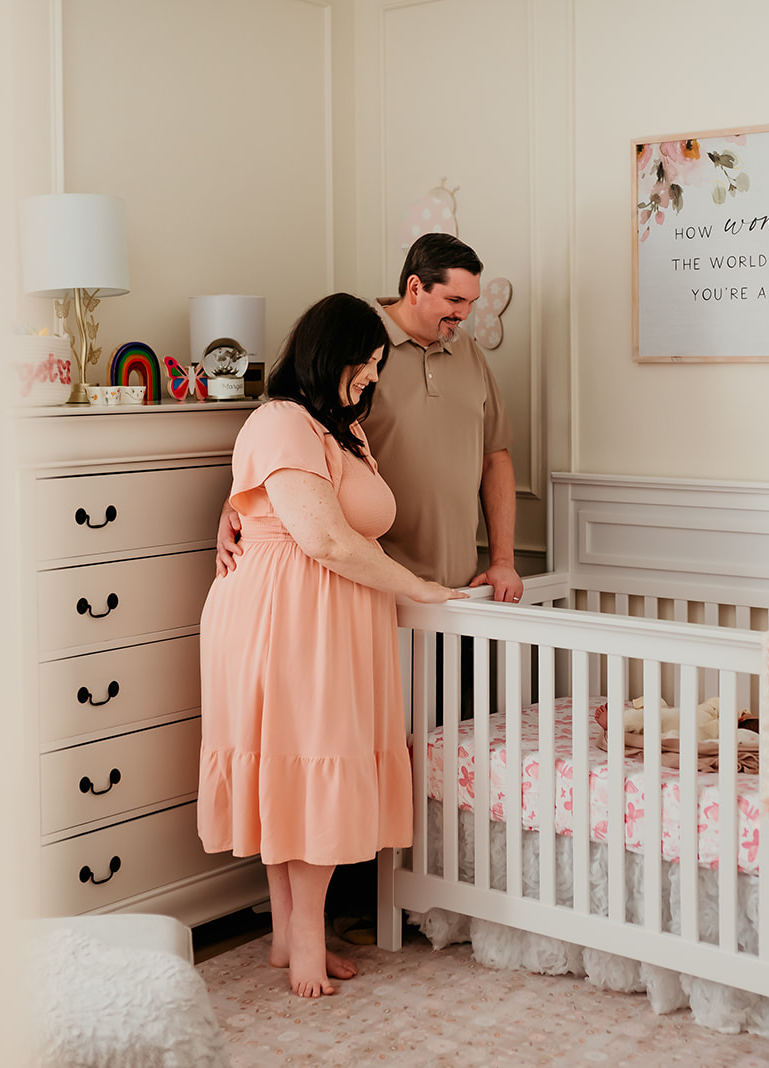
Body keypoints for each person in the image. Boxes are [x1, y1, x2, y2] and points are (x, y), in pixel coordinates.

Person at [197, 293, 467, 999]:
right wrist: (419, 586)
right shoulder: (281, 420)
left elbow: (321, 519)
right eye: (365, 364)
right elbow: (320, 537)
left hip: (327, 615)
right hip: (287, 618)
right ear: (330, 356)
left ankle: (289, 933)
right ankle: (307, 943)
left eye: (377, 365)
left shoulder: (338, 431)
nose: (372, 378)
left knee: (301, 765)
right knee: (306, 764)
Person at [217, 233, 523, 603]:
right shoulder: (353, 350)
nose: (464, 314)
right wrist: (235, 508)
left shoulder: (469, 353)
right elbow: (284, 440)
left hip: (460, 585)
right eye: (455, 299)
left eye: (471, 302)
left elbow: (495, 456)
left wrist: (503, 560)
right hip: (372, 583)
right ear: (415, 287)